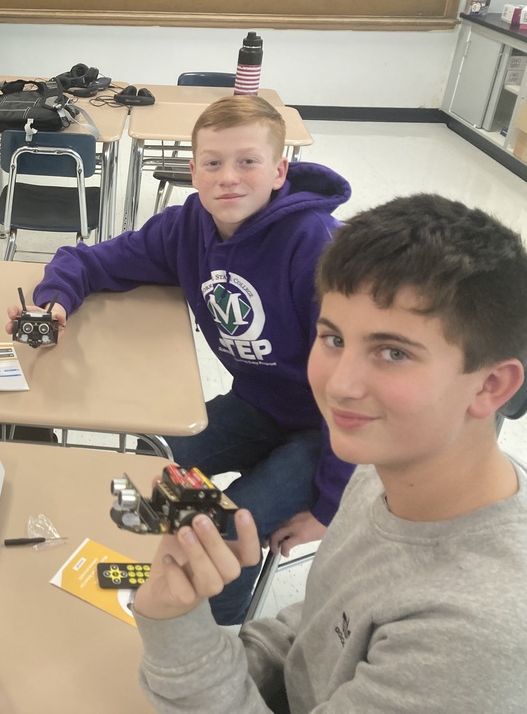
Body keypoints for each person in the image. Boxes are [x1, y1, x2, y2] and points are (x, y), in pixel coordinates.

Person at [132, 194, 527, 713]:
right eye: (333, 338)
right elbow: (318, 636)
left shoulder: (471, 635)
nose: (339, 386)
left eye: (393, 353)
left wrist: (178, 637)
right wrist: (205, 648)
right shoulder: (381, 475)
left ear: (492, 385)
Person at [9, 95, 354, 624]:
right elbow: (90, 260)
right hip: (259, 405)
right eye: (212, 163)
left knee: (228, 528)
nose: (228, 178)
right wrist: (55, 299)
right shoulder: (187, 226)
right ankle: (152, 583)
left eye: (248, 162)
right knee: (151, 469)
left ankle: (216, 638)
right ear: (192, 171)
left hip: (328, 427)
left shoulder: (315, 247)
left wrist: (330, 507)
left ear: (280, 170)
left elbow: (352, 388)